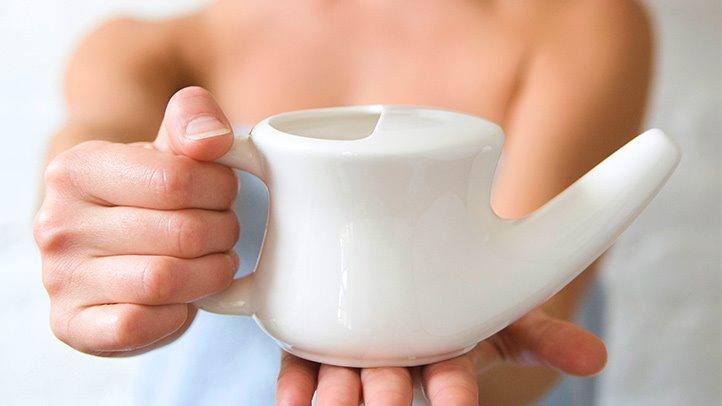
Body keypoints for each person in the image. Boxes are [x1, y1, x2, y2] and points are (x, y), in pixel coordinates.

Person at [33, 0, 652, 404]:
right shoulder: (150, 49)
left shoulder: (577, 21)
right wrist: (90, 216)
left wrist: (456, 362)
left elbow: (539, 316)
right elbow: (94, 140)